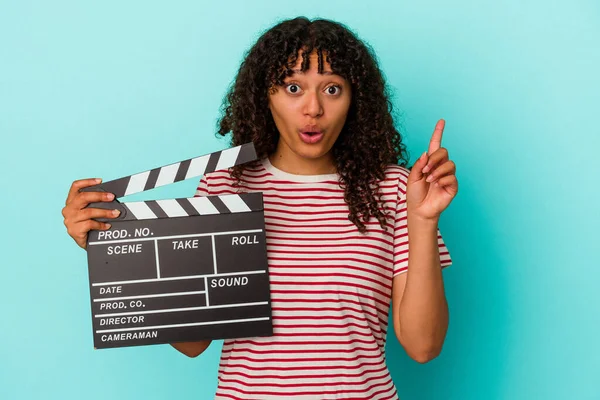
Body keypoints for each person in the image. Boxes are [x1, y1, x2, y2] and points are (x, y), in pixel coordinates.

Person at [62, 16, 458, 400]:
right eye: (292, 87)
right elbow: (192, 342)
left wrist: (423, 220)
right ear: (264, 96)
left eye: (332, 89)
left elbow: (423, 346)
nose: (313, 109)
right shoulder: (225, 185)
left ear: (355, 99)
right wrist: (113, 251)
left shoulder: (394, 189)